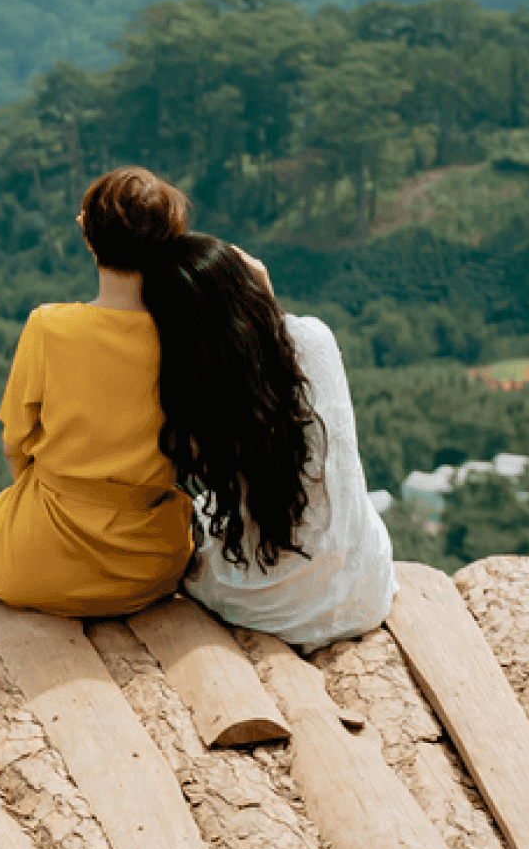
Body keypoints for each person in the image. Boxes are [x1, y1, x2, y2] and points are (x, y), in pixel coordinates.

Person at [0, 166, 198, 617]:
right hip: (148, 566)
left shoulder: (49, 326)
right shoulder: (184, 337)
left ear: (87, 236)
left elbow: (15, 439)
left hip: (39, 560)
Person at [150, 235, 394, 650]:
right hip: (361, 592)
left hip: (266, 606)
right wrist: (263, 292)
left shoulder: (188, 384)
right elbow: (277, 349)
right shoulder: (314, 339)